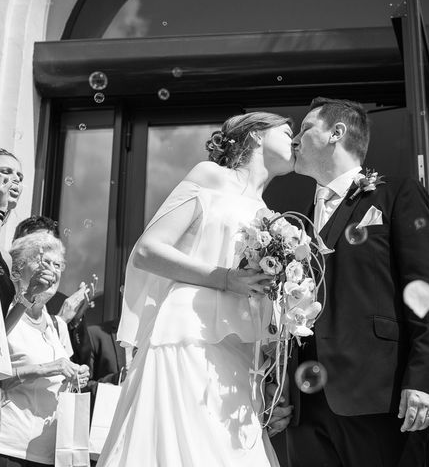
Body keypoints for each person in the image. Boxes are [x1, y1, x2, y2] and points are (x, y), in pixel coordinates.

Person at [98, 112, 294, 466]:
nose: (294, 138)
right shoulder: (211, 177)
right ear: (256, 137)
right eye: (287, 130)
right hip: (190, 337)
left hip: (239, 354)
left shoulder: (269, 213)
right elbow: (147, 250)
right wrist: (224, 278)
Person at [284, 97, 429, 467]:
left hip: (379, 396)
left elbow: (427, 293)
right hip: (305, 408)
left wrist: (423, 381)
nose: (294, 140)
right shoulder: (293, 222)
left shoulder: (397, 195)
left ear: (336, 134)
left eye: (305, 128)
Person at [0, 231, 90, 467]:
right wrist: (45, 368)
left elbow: (61, 373)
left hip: (49, 454)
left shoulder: (55, 324)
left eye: (57, 264)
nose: (52, 269)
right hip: (8, 449)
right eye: (43, 262)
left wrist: (76, 374)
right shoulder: (3, 316)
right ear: (18, 270)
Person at [0, 148, 25, 466]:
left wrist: (26, 299)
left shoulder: (0, 249)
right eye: (5, 172)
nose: (15, 180)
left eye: (20, 176)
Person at [13, 215, 93, 366]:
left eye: (56, 263)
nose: (49, 266)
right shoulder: (1, 303)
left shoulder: (59, 307)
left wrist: (72, 322)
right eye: (37, 248)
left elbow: (81, 364)